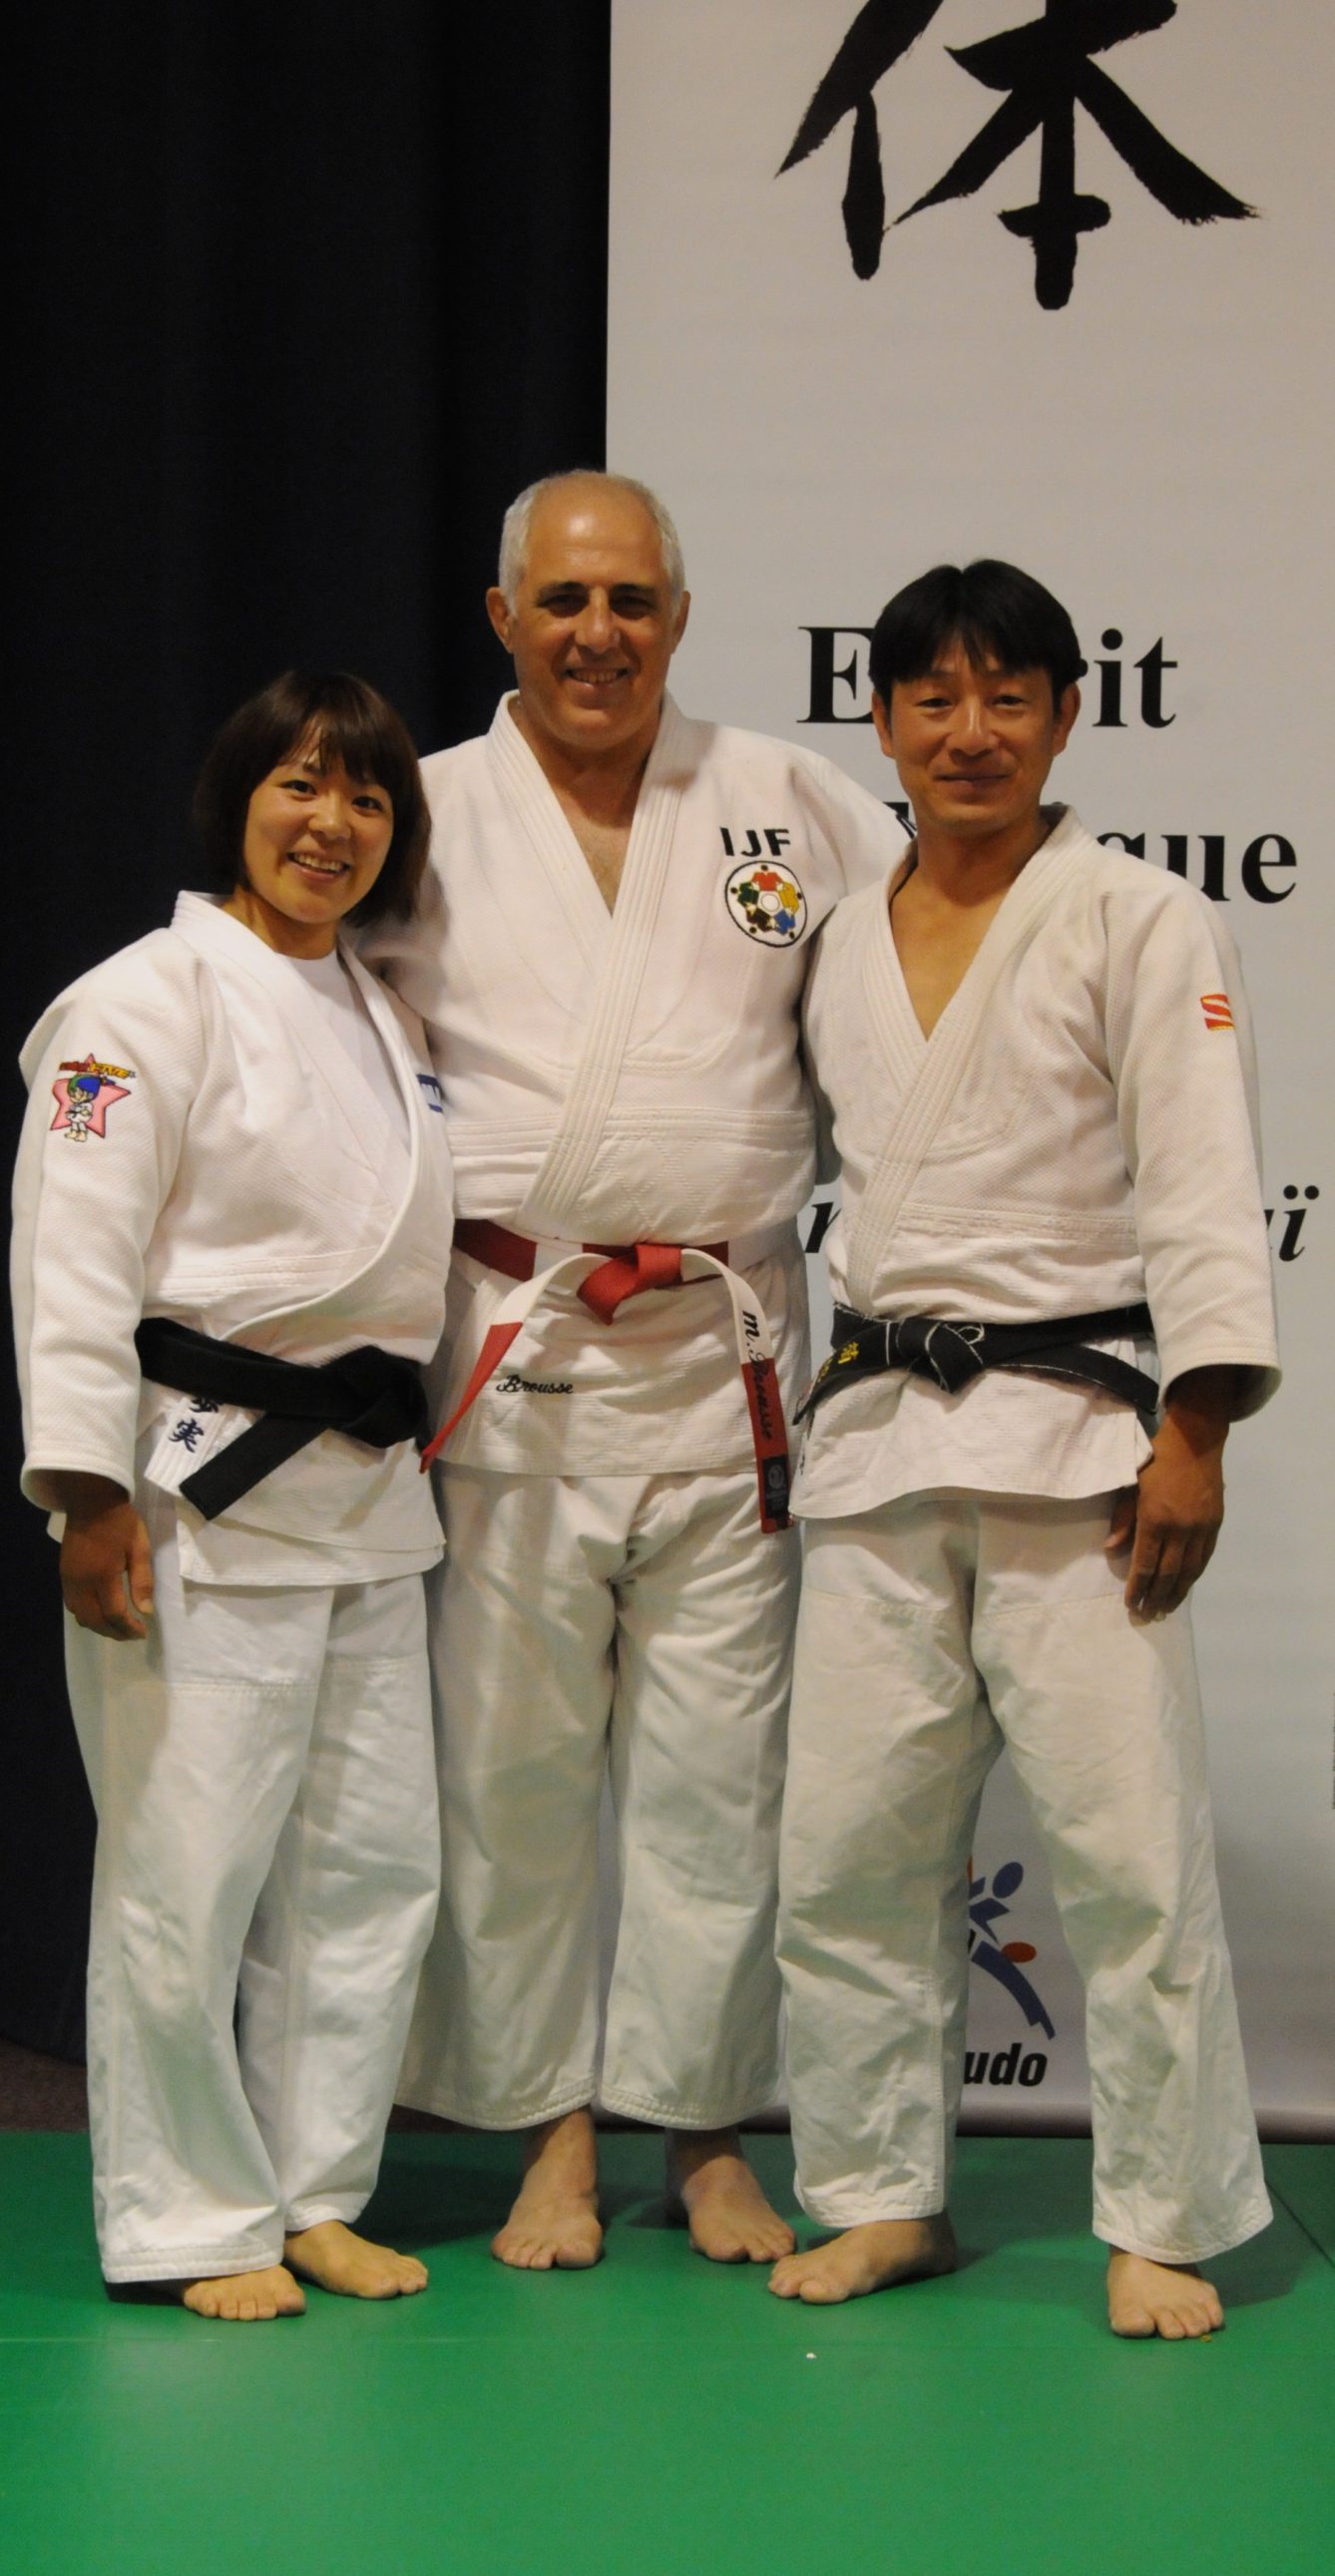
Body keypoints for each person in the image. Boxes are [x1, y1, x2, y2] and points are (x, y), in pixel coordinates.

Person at [364, 470, 906, 2269]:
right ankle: (549, 2127)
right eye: (564, 599)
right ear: (502, 615)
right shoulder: (423, 808)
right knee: (513, 1772)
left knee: (716, 1772)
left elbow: (913, 992)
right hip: (515, 1355)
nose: (597, 633)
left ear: (678, 616)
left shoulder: (789, 801)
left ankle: (705, 2129)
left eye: (631, 601)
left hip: (726, 1359)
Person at [768, 560, 1279, 2338]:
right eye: (932, 697)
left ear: (1067, 715)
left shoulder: (1142, 917)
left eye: (1006, 696)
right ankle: (876, 2191)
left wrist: (1194, 1427)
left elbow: (1202, 1181)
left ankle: (1162, 2214)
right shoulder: (837, 934)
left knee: (1128, 1856)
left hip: (1077, 1438)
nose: (967, 731)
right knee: (846, 1847)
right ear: (881, 719)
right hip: (877, 1444)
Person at [12, 672, 454, 2322]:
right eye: (300, 785)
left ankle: (314, 2185)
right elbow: (73, 1258)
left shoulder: (383, 1015)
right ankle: (191, 2212)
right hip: (194, 1491)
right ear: (236, 800)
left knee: (370, 1871)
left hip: (365, 1496)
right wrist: (85, 1489)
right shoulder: (138, 1000)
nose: (332, 823)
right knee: (185, 1873)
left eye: (367, 797)